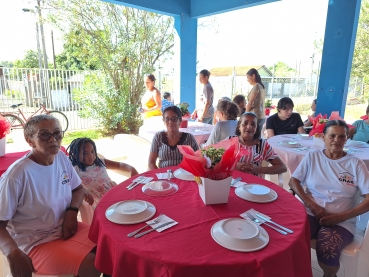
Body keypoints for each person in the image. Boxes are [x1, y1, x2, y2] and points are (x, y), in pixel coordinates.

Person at [0, 115, 100, 277]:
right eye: (44, 135)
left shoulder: (60, 157)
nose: (53, 139)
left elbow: (78, 189)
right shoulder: (17, 175)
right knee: (92, 264)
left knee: (112, 248)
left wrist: (72, 212)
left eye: (57, 133)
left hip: (64, 229)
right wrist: (12, 252)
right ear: (29, 140)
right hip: (34, 242)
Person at [289, 120, 369, 277]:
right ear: (323, 137)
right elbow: (294, 181)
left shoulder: (355, 164)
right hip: (310, 212)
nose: (336, 140)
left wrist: (340, 217)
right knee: (290, 237)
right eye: (332, 135)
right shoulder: (313, 156)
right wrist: (312, 206)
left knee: (328, 249)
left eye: (341, 137)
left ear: (346, 139)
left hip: (342, 220)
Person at [67, 137, 139, 210]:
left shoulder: (100, 162)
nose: (91, 156)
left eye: (92, 151)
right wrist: (83, 191)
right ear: (75, 155)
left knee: (135, 203)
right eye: (85, 153)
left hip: (114, 193)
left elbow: (119, 165)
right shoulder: (75, 170)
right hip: (99, 202)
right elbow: (70, 187)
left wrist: (131, 169)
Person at [229, 112, 287, 177]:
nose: (249, 127)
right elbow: (216, 161)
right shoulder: (229, 142)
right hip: (231, 182)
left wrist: (259, 169)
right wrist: (233, 165)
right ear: (239, 126)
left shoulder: (263, 145)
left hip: (254, 185)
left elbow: (282, 167)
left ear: (256, 128)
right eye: (245, 123)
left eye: (253, 124)